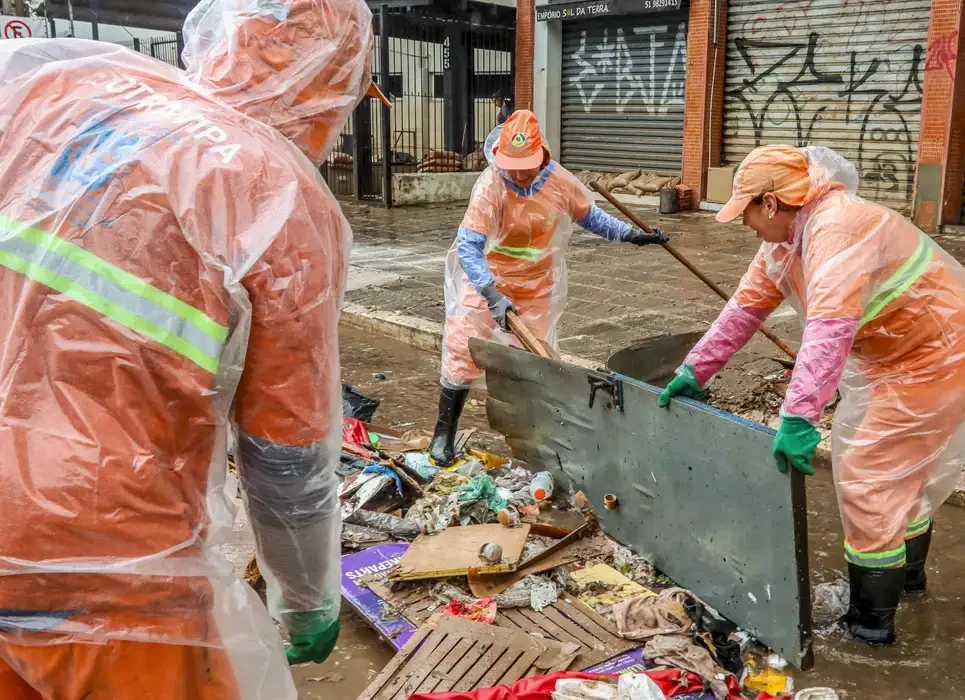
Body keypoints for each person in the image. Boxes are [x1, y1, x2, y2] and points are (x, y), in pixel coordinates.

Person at [0, 1, 389, 697]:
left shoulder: (57, 91)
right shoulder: (272, 191)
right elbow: (286, 460)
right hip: (109, 557)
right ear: (325, 81)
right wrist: (305, 596)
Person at [659, 144, 965, 646]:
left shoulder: (838, 227)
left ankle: (870, 627)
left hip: (935, 355)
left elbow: (829, 329)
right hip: (892, 360)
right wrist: (696, 369)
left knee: (870, 481)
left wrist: (799, 417)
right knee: (895, 477)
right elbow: (744, 310)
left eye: (749, 213)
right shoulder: (783, 245)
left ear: (773, 203)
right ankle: (906, 582)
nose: (747, 225)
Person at [430, 110, 669, 466]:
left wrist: (631, 235)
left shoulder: (557, 180)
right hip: (488, 281)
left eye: (526, 164)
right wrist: (491, 294)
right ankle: (442, 436)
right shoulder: (491, 186)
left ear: (542, 155)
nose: (520, 172)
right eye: (513, 164)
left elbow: (590, 216)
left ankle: (536, 442)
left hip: (535, 284)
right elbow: (468, 246)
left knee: (534, 360)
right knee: (462, 351)